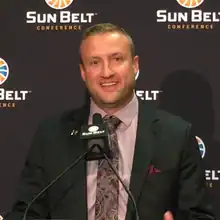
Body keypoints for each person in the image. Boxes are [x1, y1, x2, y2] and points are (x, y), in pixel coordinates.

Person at [4, 23, 215, 220]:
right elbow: (27, 213)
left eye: (116, 59)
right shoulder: (51, 135)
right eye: (95, 62)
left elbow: (199, 214)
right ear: (83, 72)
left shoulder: (176, 135)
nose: (107, 72)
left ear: (135, 65)